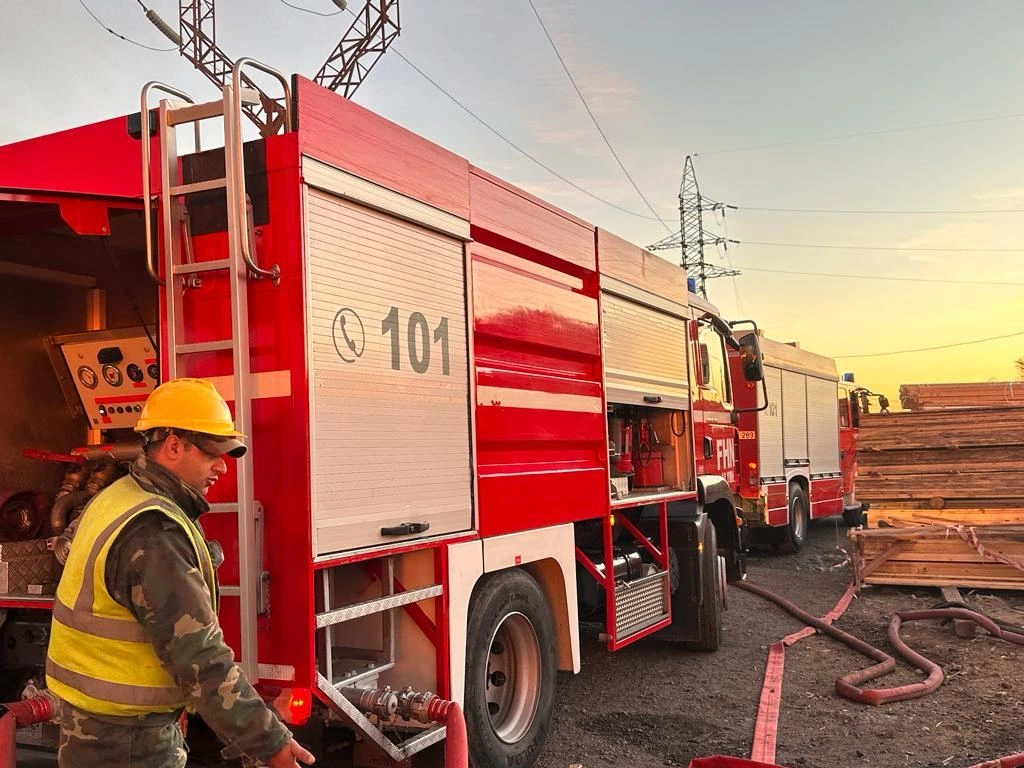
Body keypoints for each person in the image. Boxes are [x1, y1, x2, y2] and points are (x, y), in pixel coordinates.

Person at [45, 378, 315, 768]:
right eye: (212, 453)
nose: (222, 466)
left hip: (94, 729)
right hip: (130, 743)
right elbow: (201, 660)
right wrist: (271, 743)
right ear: (174, 446)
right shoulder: (153, 532)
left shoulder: (118, 497)